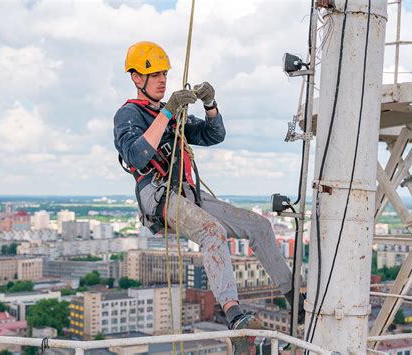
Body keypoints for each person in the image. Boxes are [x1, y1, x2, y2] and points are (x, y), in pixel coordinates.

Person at [113, 41, 304, 353]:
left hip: (189, 194)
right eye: (155, 74)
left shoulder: (169, 115)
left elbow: (214, 135)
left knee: (260, 227)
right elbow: (136, 155)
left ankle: (296, 298)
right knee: (212, 232)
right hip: (161, 197)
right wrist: (169, 111)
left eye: (164, 73)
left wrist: (210, 103)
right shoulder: (129, 115)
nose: (162, 79)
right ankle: (235, 317)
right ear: (137, 78)